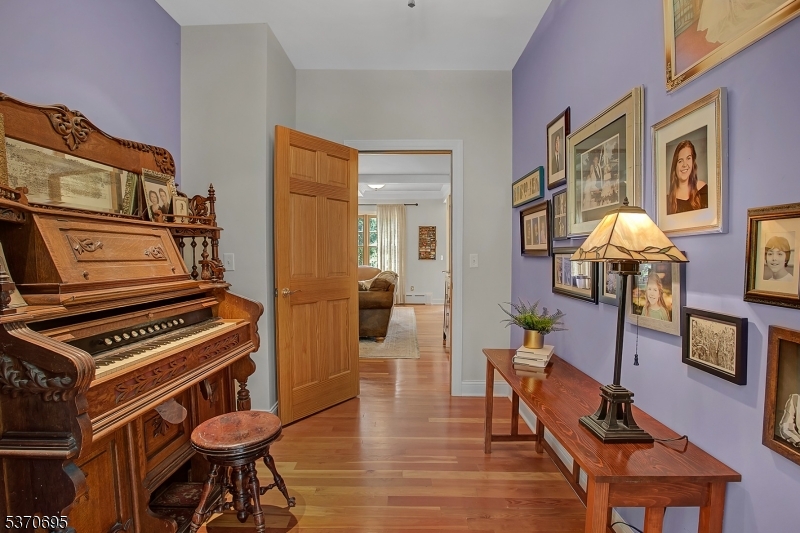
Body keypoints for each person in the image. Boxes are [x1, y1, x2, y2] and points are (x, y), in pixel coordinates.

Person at [667, 140, 708, 215]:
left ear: (693, 162)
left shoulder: (703, 189)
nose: (684, 165)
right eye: (680, 161)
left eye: (688, 158)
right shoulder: (667, 200)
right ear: (675, 166)